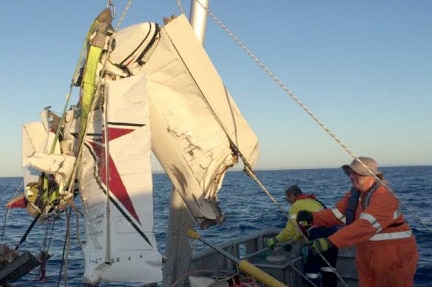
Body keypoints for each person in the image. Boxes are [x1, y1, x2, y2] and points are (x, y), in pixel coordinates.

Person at [297, 156, 419, 287]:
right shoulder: (355, 194)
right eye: (351, 172)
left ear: (372, 176)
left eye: (358, 173)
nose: (352, 176)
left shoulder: (384, 196)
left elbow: (365, 225)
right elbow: (337, 214)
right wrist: (313, 218)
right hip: (366, 253)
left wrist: (330, 241)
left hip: (394, 256)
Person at [266, 185, 338, 287]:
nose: (287, 200)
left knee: (311, 272)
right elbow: (302, 230)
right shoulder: (314, 202)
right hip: (332, 238)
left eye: (287, 197)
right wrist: (292, 243)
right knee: (328, 270)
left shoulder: (296, 205)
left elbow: (290, 230)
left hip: (317, 238)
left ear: (292, 195)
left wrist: (275, 239)